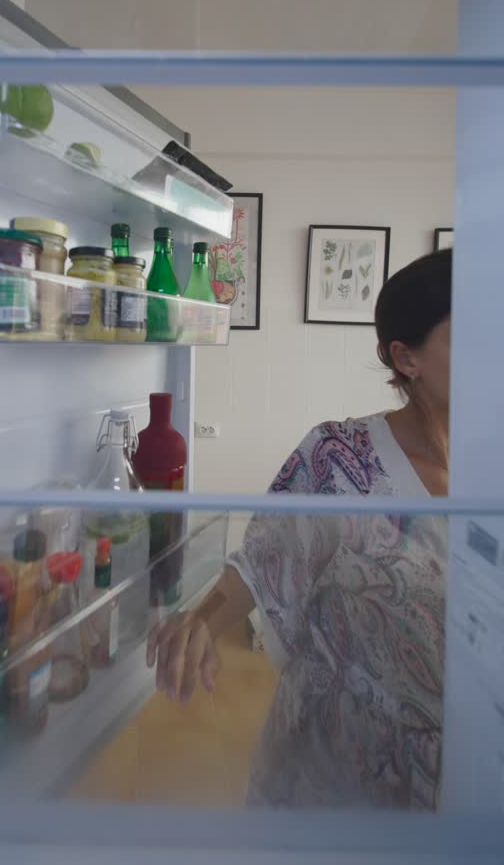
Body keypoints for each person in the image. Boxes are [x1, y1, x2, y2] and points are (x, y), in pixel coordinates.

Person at [147, 249, 452, 810]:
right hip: (336, 773)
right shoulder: (342, 457)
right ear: (407, 358)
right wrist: (204, 623)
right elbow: (265, 558)